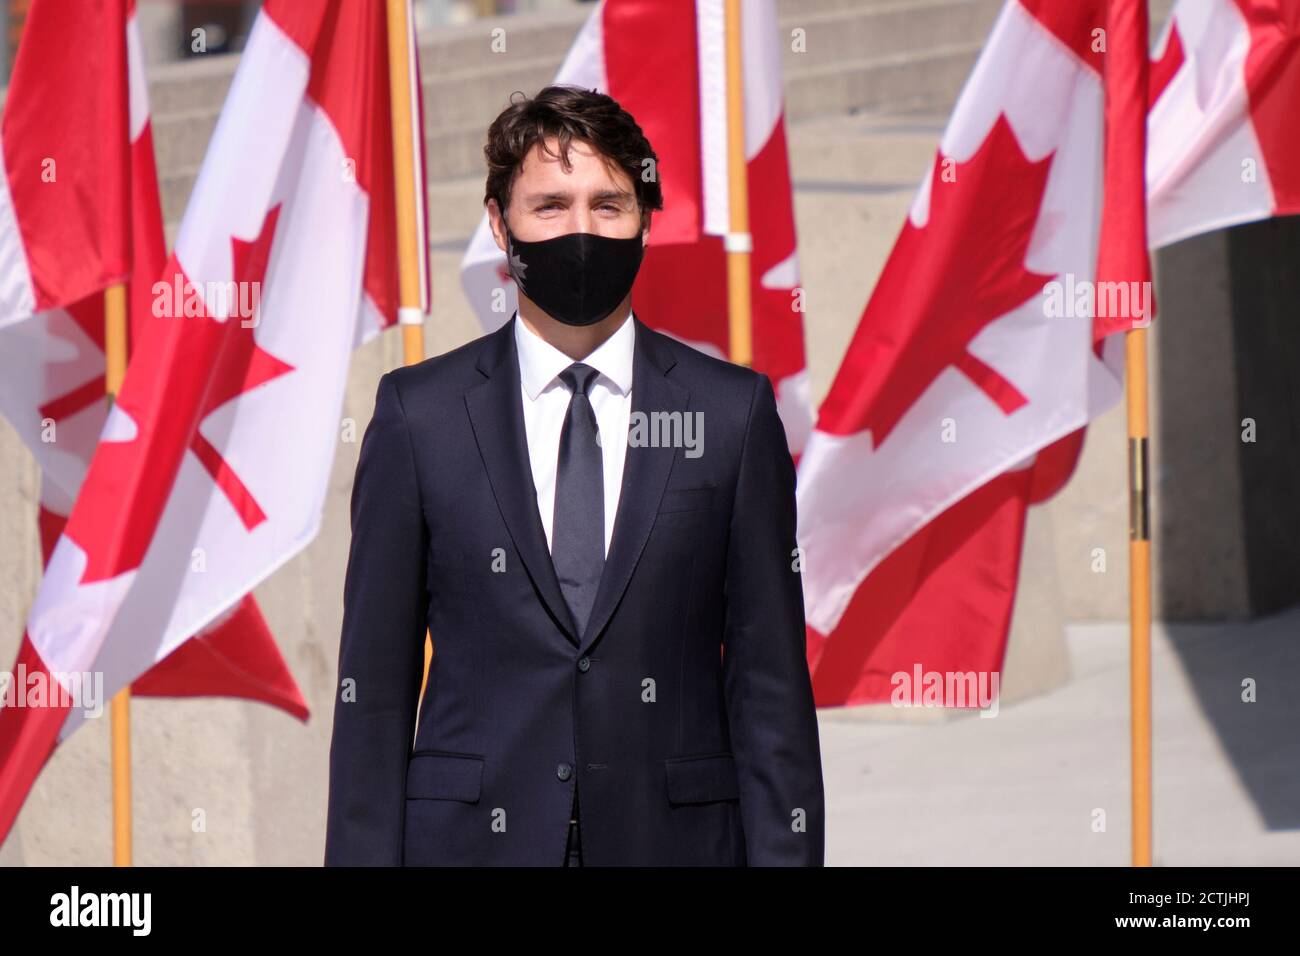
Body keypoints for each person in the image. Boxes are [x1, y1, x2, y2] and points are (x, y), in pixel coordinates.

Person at [324, 85, 824, 866]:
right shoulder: (418, 416)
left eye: (609, 204)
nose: (581, 230)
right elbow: (374, 694)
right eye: (551, 206)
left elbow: (772, 694)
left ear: (646, 220)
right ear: (500, 223)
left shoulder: (733, 414)